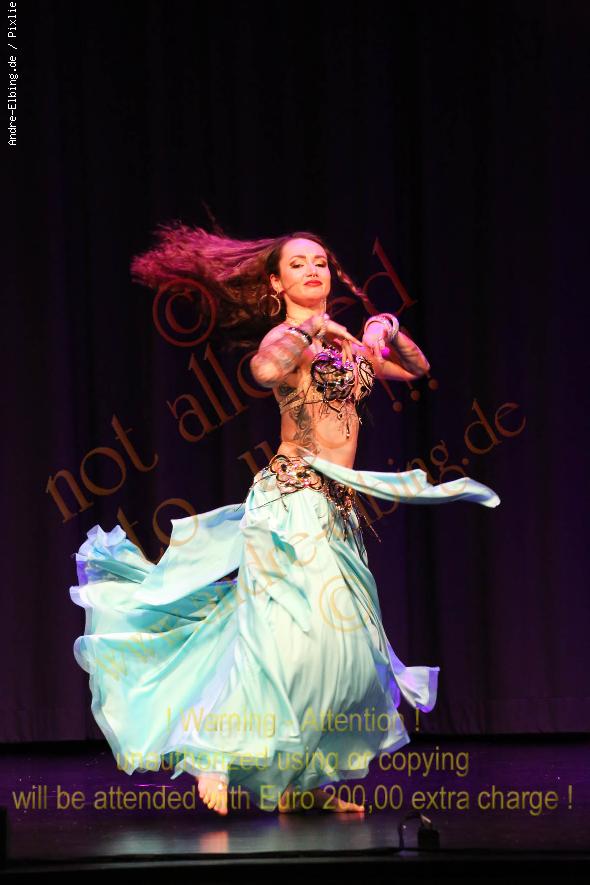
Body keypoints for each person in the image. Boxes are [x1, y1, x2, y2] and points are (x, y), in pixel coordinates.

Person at [70, 225, 500, 816]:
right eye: (298, 264)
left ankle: (301, 783)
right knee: (277, 637)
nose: (313, 271)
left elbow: (415, 368)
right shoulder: (289, 336)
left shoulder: (347, 343)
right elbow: (265, 372)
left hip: (337, 509)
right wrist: (307, 329)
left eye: (320, 261)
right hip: (289, 500)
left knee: (339, 649)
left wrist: (385, 328)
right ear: (276, 283)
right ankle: (214, 750)